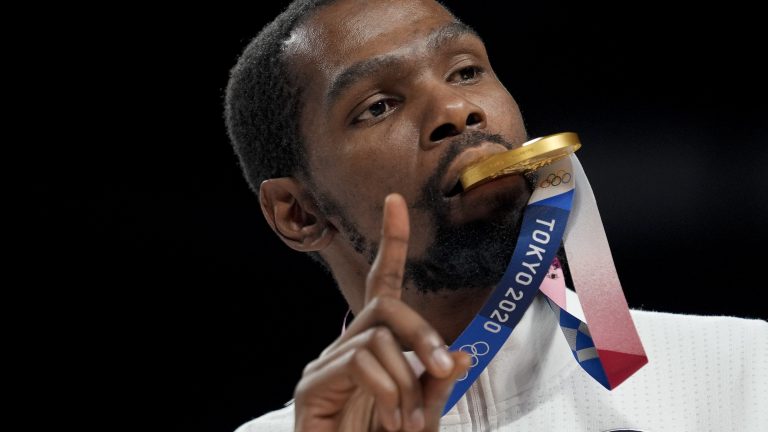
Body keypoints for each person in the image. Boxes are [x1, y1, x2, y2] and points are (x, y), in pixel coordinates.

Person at [223, 0, 767, 430]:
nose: (457, 111)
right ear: (299, 213)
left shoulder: (743, 374)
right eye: (378, 106)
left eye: (464, 71)